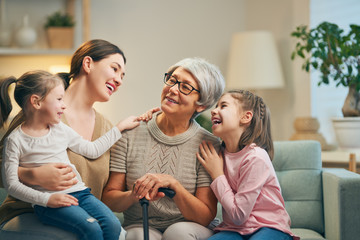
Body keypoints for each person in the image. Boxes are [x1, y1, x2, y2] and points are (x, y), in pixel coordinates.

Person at [0, 39, 157, 239]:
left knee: (113, 231)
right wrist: (32, 175)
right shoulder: (42, 112)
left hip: (81, 209)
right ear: (88, 64)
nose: (119, 80)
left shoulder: (107, 128)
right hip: (29, 211)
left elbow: (107, 195)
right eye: (115, 69)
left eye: (122, 75)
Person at [102, 57, 225, 240]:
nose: (172, 89)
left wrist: (173, 184)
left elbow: (205, 215)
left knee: (178, 233)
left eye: (185, 87)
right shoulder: (131, 133)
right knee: (138, 235)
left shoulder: (208, 145)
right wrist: (134, 194)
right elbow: (109, 198)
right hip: (140, 223)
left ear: (202, 104)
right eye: (172, 80)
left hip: (191, 228)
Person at [196, 90, 299, 240]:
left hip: (269, 227)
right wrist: (156, 115)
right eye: (216, 106)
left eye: (223, 106)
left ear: (246, 117)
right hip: (234, 230)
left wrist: (217, 174)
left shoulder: (256, 157)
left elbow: (239, 215)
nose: (213, 111)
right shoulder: (217, 154)